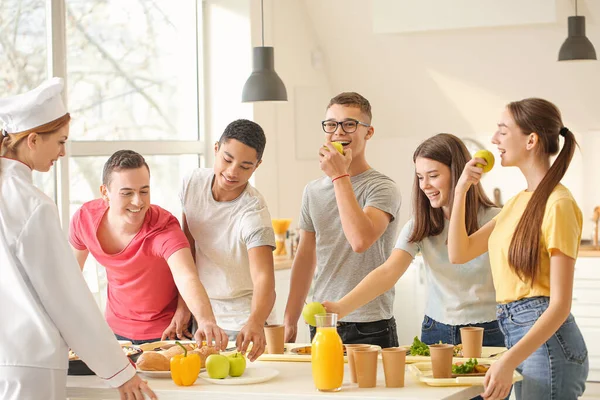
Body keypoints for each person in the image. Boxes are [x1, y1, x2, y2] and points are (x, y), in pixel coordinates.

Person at [0, 78, 155, 399]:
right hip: (29, 366)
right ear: (31, 140)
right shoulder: (32, 204)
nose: (63, 151)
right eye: (59, 141)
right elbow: (67, 297)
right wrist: (120, 373)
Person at [448, 98, 589, 400]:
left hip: (547, 342)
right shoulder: (517, 202)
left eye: (502, 130)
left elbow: (560, 305)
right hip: (521, 336)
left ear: (531, 140)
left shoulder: (558, 204)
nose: (494, 139)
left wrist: (507, 360)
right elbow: (459, 253)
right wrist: (461, 191)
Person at [323, 133, 504, 349]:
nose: (425, 185)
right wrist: (340, 307)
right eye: (420, 177)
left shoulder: (494, 219)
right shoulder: (420, 224)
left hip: (489, 329)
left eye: (433, 175)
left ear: (458, 174)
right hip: (436, 329)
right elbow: (388, 272)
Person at [70, 150, 228, 348]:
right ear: (105, 193)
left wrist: (206, 321)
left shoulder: (163, 228)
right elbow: (71, 274)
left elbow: (187, 276)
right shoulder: (84, 219)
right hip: (115, 332)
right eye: (127, 193)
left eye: (144, 191)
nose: (138, 201)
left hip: (166, 334)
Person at [283, 92, 402, 348]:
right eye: (331, 124)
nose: (339, 132)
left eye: (350, 124)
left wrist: (339, 177)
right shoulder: (312, 191)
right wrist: (290, 318)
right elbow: (305, 257)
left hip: (370, 322)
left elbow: (360, 240)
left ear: (368, 132)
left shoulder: (381, 188)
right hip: (323, 321)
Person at [180, 119, 276, 361]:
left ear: (257, 166)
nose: (233, 171)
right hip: (202, 313)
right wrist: (183, 308)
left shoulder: (253, 212)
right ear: (216, 149)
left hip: (242, 320)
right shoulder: (191, 184)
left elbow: (264, 278)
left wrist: (255, 322)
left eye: (245, 166)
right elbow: (185, 251)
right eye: (227, 159)